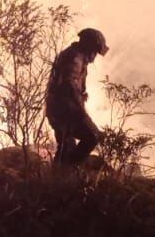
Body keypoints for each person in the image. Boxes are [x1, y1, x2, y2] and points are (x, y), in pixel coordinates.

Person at [46, 27, 109, 166]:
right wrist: (81, 112)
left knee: (66, 147)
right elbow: (70, 84)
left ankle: (60, 175)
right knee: (92, 136)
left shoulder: (75, 56)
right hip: (66, 111)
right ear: (90, 47)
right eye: (95, 52)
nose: (95, 56)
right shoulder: (75, 58)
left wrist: (81, 95)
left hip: (59, 109)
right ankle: (66, 171)